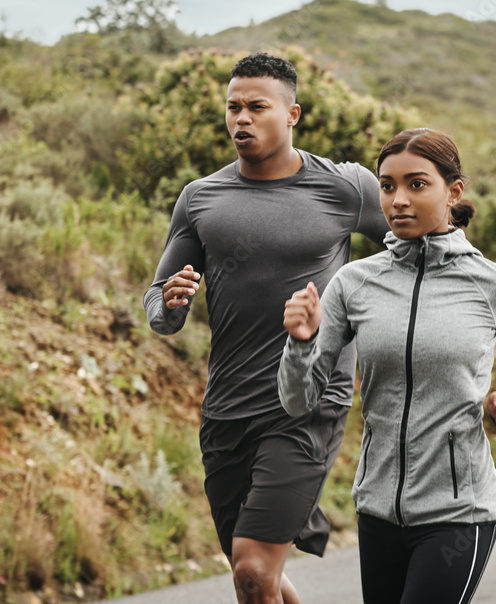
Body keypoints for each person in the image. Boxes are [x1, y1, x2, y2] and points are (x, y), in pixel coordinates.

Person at [142, 52, 388, 604]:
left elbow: (410, 253)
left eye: (257, 106)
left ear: (292, 113)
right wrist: (172, 303)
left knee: (252, 570)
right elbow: (159, 304)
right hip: (226, 409)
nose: (241, 119)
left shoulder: (346, 188)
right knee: (258, 579)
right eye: (233, 107)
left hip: (307, 402)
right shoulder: (201, 198)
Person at [278, 128, 496, 603]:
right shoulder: (354, 283)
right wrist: (301, 343)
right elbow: (297, 400)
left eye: (416, 184)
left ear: (453, 191)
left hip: (458, 511)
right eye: (387, 186)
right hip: (378, 510)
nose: (398, 200)